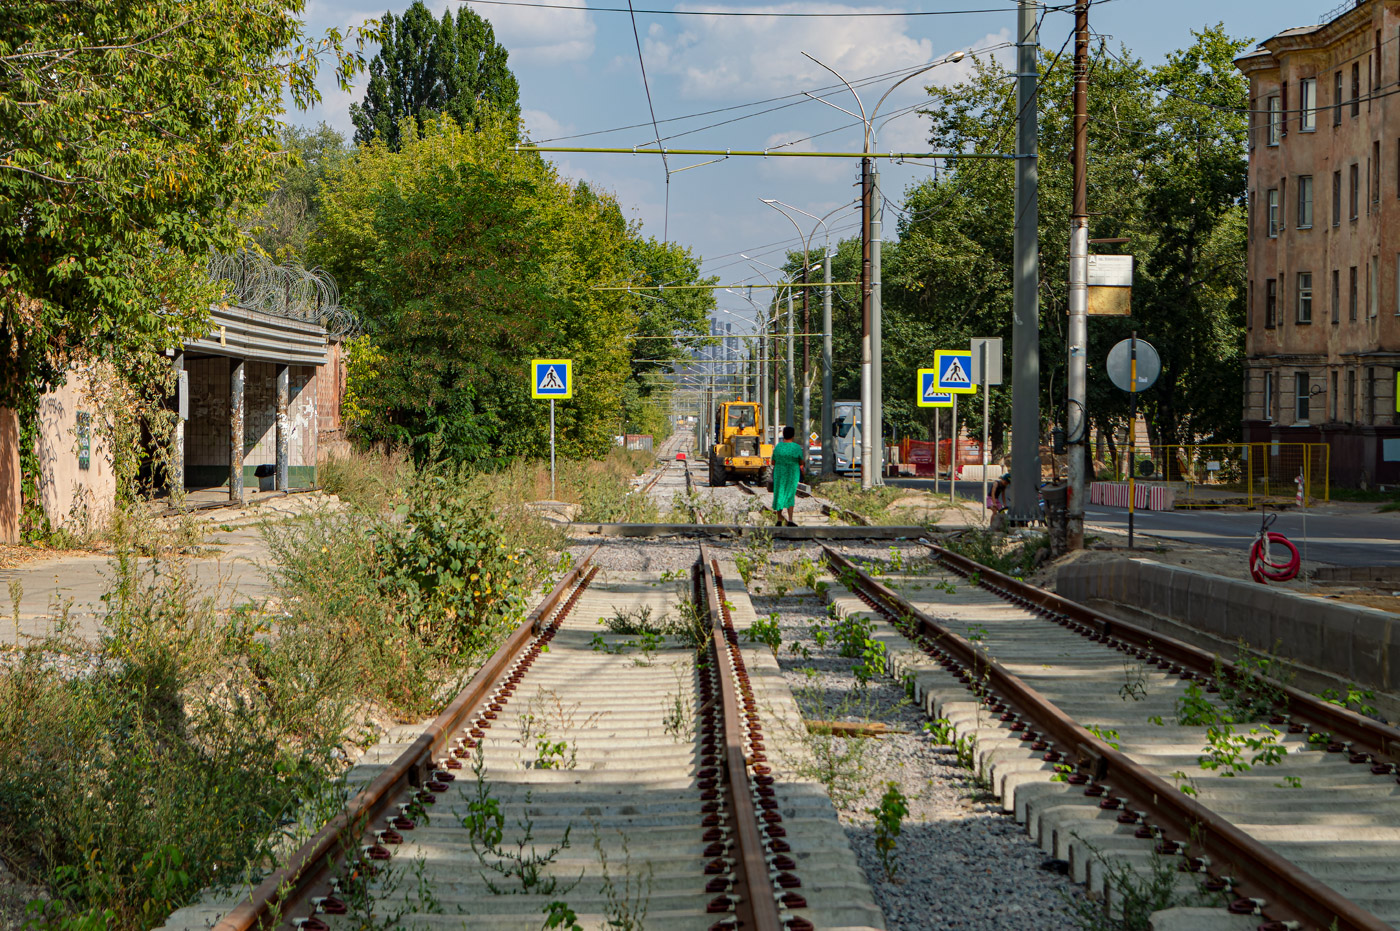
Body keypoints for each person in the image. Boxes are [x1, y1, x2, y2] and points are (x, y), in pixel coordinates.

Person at [771, 425, 803, 525]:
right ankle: (790, 520)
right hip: (792, 474)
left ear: (783, 435)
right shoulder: (796, 447)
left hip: (779, 473)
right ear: (793, 436)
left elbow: (773, 462)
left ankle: (779, 519)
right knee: (790, 494)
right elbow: (801, 461)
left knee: (779, 493)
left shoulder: (778, 447)